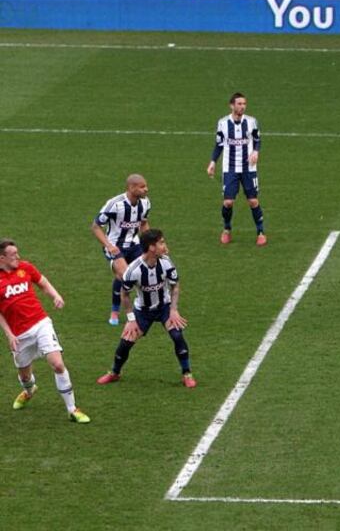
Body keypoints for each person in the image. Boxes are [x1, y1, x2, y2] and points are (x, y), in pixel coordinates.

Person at [0, 239, 90, 423]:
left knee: (57, 364)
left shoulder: (25, 268)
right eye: (13, 254)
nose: (18, 256)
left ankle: (72, 409)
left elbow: (43, 282)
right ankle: (29, 390)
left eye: (18, 252)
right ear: (2, 258)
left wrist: (55, 295)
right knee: (24, 375)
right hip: (19, 335)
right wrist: (9, 334)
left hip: (40, 323)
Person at [96, 230, 196, 388]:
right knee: (126, 341)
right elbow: (125, 294)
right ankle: (115, 373)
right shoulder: (133, 270)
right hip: (143, 311)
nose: (165, 246)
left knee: (177, 335)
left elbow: (175, 285)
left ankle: (187, 374)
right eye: (161, 243)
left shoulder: (166, 263)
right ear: (151, 247)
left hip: (164, 307)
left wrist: (174, 310)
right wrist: (130, 319)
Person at [207, 92, 266, 247]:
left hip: (249, 168)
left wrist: (256, 151)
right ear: (232, 105)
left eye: (244, 104)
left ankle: (260, 232)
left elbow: (257, 139)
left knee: (253, 201)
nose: (242, 107)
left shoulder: (252, 122)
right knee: (228, 202)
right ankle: (227, 230)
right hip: (230, 167)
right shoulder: (223, 123)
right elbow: (219, 144)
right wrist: (213, 162)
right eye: (239, 104)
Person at [91, 174, 151, 326]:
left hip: (134, 244)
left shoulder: (145, 203)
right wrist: (108, 246)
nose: (146, 190)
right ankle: (121, 313)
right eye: (142, 187)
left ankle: (139, 309)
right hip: (115, 246)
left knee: (142, 275)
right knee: (126, 276)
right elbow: (96, 226)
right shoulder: (115, 204)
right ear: (131, 188)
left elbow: (143, 224)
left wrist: (151, 243)